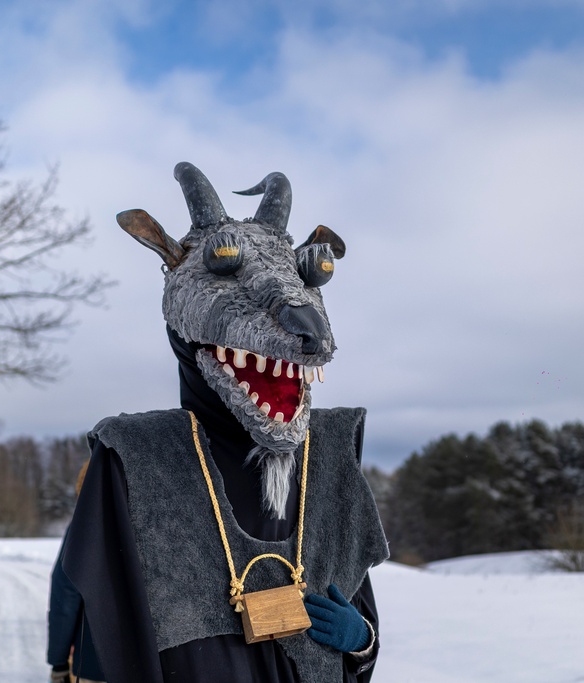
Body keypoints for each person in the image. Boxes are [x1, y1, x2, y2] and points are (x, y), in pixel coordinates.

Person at [61, 163, 388, 682]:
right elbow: (107, 621)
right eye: (225, 262)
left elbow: (360, 622)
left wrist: (362, 640)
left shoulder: (326, 455)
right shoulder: (136, 458)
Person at [47, 463, 104, 683]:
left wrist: (59, 662)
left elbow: (66, 595)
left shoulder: (87, 525)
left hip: (97, 662)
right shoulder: (165, 524)